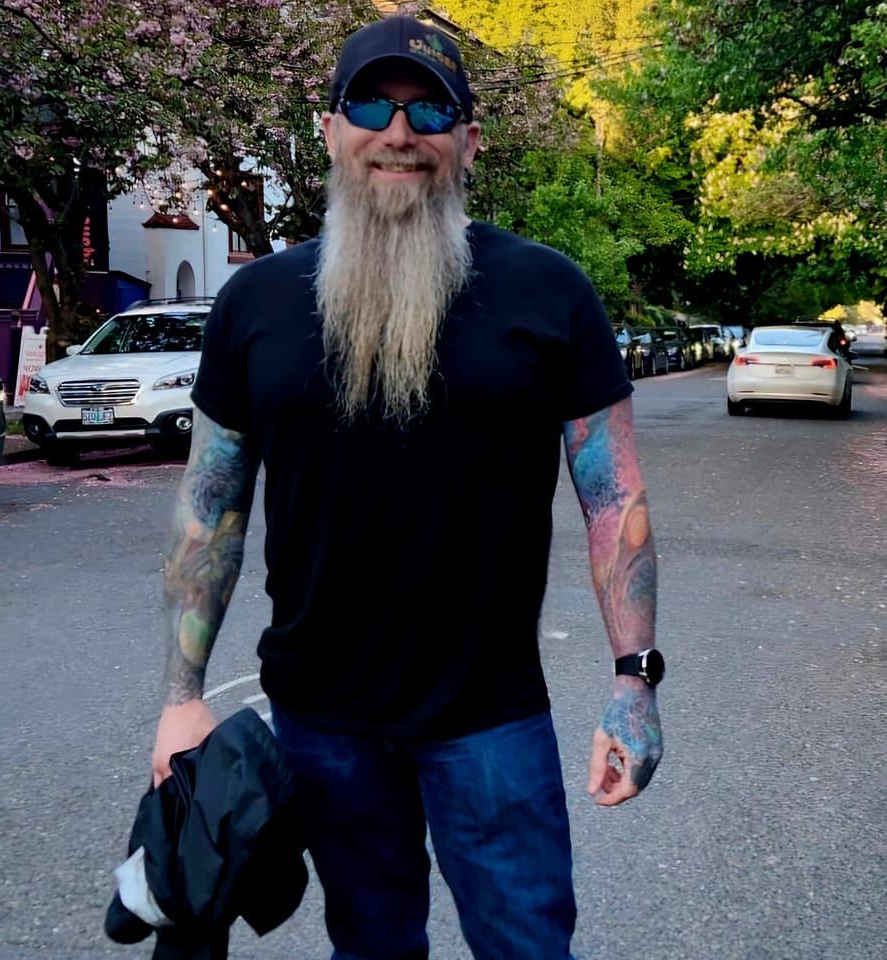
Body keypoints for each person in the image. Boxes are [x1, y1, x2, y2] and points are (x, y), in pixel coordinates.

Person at [151, 14, 664, 960]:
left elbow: (613, 500)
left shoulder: (548, 292)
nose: (398, 132)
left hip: (489, 716)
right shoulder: (254, 303)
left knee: (527, 947)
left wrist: (633, 680)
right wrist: (183, 695)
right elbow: (209, 508)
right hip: (320, 721)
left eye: (428, 110)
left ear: (468, 140)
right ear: (329, 130)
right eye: (371, 107)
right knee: (370, 948)